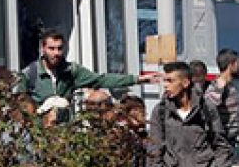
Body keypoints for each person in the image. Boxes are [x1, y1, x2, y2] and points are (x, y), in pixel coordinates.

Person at [146, 61, 233, 167]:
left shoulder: (206, 109)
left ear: (185, 83)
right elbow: (154, 154)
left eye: (170, 81)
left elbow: (220, 144)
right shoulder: (161, 112)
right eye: (165, 81)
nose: (166, 86)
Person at [17, 29, 157, 123]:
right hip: (39, 135)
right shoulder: (30, 74)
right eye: (51, 48)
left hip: (64, 133)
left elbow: (100, 79)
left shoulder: (71, 70)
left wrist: (135, 79)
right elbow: (19, 103)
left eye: (59, 48)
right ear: (43, 49)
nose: (56, 53)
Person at [204, 48, 239, 154]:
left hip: (231, 142)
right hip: (222, 144)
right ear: (231, 65)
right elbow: (208, 109)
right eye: (238, 63)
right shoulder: (219, 85)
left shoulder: (229, 86)